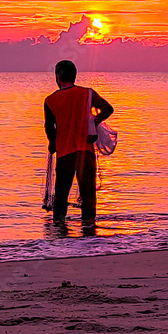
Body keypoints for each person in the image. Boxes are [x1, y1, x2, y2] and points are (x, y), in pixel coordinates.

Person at [44, 59, 114, 225]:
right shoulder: (87, 93)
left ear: (57, 78)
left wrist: (52, 143)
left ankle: (59, 234)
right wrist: (94, 123)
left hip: (65, 154)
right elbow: (107, 109)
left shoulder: (51, 100)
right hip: (85, 152)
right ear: (74, 76)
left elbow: (49, 127)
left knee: (61, 195)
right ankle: (89, 232)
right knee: (88, 194)